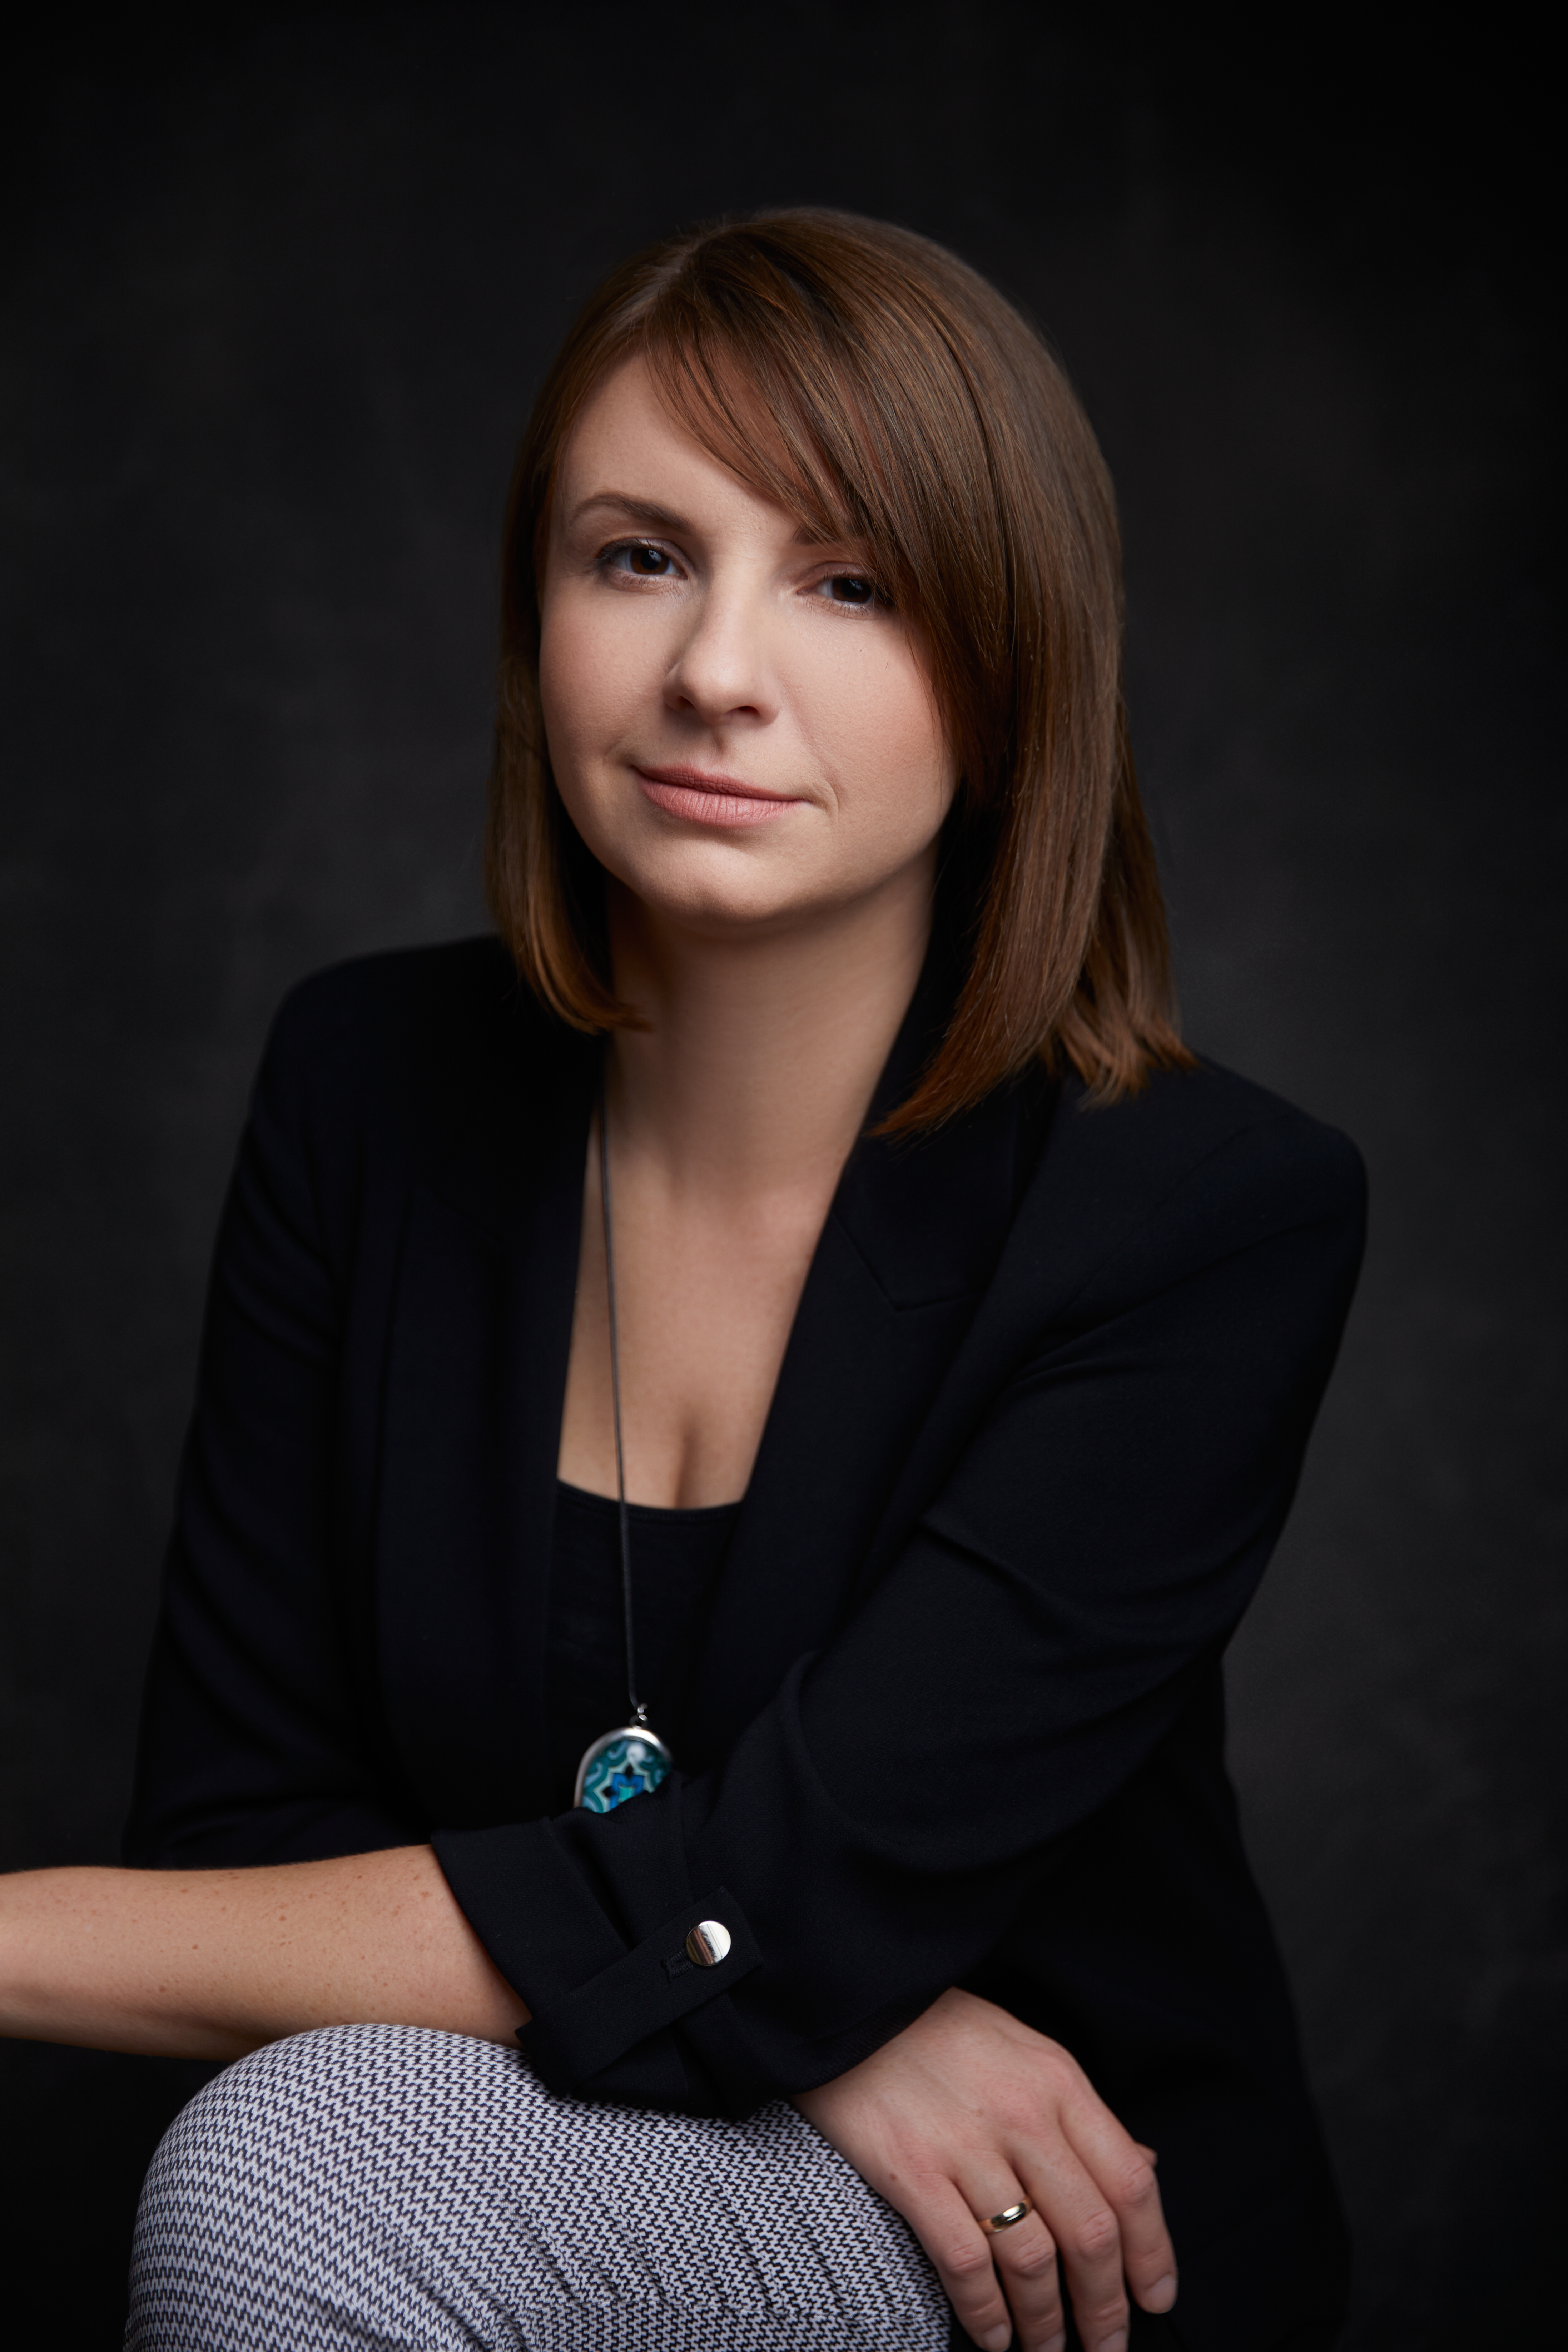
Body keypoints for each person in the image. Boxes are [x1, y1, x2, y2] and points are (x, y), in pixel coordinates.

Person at [0, 211, 1364, 2352]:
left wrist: (755, 1947)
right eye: (638, 556)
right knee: (302, 2140)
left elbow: (782, 1902)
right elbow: (244, 1835)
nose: (717, 669)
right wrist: (790, 2004)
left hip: (1032, 2242)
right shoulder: (364, 1086)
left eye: (851, 582)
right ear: (534, 611)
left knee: (295, 2174)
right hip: (622, 2111)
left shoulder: (1206, 1216)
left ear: (1015, 674)